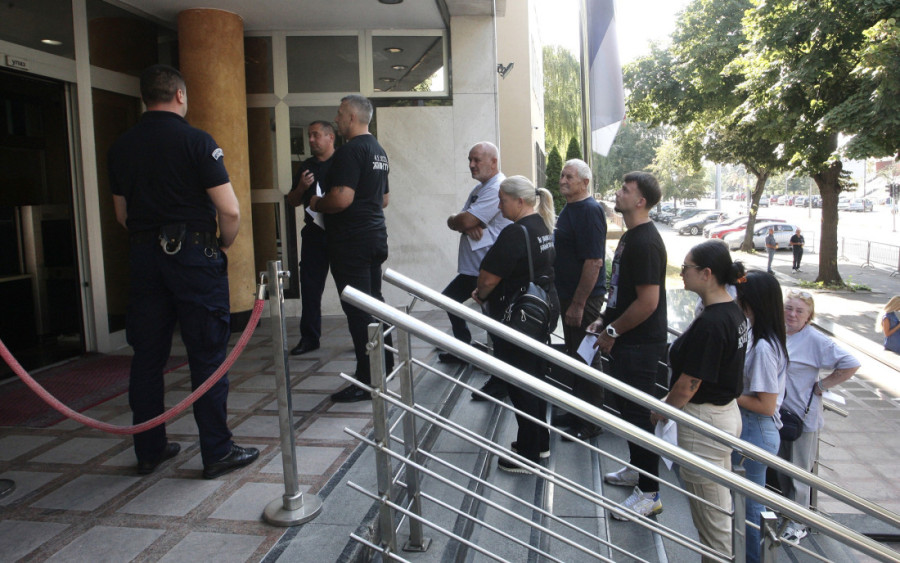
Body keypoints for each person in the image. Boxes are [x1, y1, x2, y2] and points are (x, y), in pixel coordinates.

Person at [108, 64, 258, 479]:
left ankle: (149, 450)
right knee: (206, 353)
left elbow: (122, 215)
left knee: (147, 356)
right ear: (179, 95)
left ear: (145, 97)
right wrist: (221, 244)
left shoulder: (120, 147)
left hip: (144, 258)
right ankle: (217, 450)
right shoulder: (197, 141)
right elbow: (229, 210)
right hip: (193, 255)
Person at [651, 240, 749, 562]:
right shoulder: (732, 311)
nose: (682, 273)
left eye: (686, 268)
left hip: (704, 425)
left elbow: (689, 384)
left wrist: (663, 410)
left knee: (713, 524)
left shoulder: (712, 322)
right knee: (717, 512)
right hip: (723, 415)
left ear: (706, 274)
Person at [587, 171, 667, 518]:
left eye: (625, 189)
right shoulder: (631, 236)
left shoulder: (645, 242)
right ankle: (637, 470)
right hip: (626, 340)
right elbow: (621, 289)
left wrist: (612, 332)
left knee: (637, 416)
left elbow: (648, 302)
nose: (618, 193)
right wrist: (604, 318)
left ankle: (649, 493)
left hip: (640, 345)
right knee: (628, 412)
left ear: (641, 201)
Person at [309, 94, 393, 403]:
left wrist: (317, 202)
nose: (337, 118)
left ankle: (368, 380)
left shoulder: (350, 151)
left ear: (353, 118)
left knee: (359, 310)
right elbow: (384, 199)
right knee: (374, 303)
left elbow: (342, 199)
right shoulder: (378, 151)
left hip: (352, 242)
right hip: (374, 236)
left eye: (340, 113)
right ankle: (384, 366)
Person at [471, 176, 559, 472]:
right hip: (539, 313)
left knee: (520, 383)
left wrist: (481, 294)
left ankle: (529, 453)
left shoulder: (515, 232)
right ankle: (540, 443)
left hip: (518, 318)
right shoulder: (542, 225)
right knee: (534, 378)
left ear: (519, 201)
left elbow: (487, 279)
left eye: (503, 200)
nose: (499, 206)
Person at [778, 290, 860, 544]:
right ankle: (787, 513)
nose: (792, 314)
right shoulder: (780, 332)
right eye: (789, 308)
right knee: (782, 469)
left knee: (799, 472)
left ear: (809, 316)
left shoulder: (814, 339)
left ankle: (798, 523)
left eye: (799, 311)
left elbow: (851, 363)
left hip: (801, 418)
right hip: (778, 414)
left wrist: (823, 385)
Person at [439, 142, 511, 401]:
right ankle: (463, 349)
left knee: (494, 324)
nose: (471, 165)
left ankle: (500, 381)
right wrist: (458, 220)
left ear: (493, 162)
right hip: (475, 268)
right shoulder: (480, 189)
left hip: (488, 270)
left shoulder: (496, 188)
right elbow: (458, 220)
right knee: (449, 300)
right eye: (470, 159)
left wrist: (464, 221)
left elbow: (466, 220)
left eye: (477, 160)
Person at [733, 271, 788, 563]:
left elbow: (766, 405)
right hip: (753, 428)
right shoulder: (761, 337)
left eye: (741, 298)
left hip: (756, 428)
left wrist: (728, 393)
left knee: (752, 508)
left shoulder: (765, 346)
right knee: (748, 505)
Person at [554, 159, 606, 440]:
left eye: (569, 177)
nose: (563, 180)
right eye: (562, 175)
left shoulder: (589, 210)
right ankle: (578, 411)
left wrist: (578, 304)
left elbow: (594, 262)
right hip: (568, 297)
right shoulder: (570, 208)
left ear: (585, 182)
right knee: (575, 355)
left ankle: (592, 421)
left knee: (587, 357)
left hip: (584, 300)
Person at [286, 121, 336, 356]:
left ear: (330, 137)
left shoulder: (343, 162)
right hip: (314, 236)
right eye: (309, 135)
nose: (311, 140)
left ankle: (363, 336)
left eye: (316, 135)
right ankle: (309, 338)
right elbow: (293, 200)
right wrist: (301, 187)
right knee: (310, 288)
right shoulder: (306, 167)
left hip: (340, 234)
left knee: (351, 288)